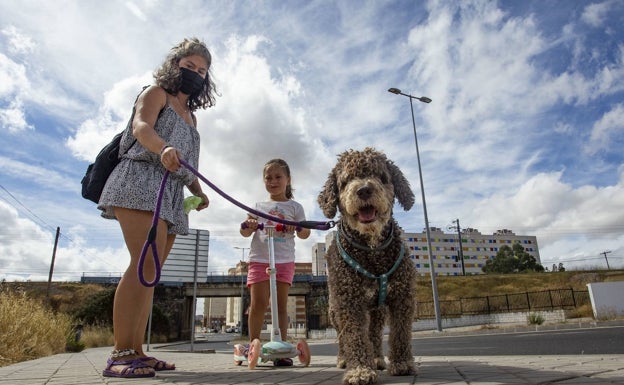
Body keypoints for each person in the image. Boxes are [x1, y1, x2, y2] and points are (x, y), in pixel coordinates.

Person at [97, 37, 216, 378]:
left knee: (150, 274)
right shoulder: (155, 93)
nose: (195, 73)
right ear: (174, 66)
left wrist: (199, 190)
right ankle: (119, 353)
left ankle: (137, 351)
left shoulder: (192, 119)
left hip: (172, 194)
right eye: (189, 66)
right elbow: (141, 127)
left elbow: (187, 164)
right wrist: (163, 148)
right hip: (140, 179)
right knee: (143, 264)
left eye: (202, 71)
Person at [236, 159, 311, 366]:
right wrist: (249, 225)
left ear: (288, 180)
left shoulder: (295, 207)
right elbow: (244, 231)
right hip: (260, 259)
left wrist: (296, 226)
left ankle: (282, 347)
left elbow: (305, 233)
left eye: (278, 177)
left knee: (281, 305)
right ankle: (253, 345)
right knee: (258, 304)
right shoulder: (258, 206)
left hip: (284, 260)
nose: (273, 181)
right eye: (268, 177)